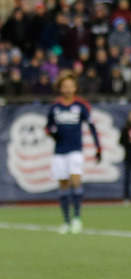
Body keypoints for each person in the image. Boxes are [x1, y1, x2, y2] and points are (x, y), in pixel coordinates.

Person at [45, 70, 102, 234]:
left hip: (75, 149)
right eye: (65, 86)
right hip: (59, 151)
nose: (68, 89)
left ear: (75, 87)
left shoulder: (80, 106)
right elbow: (48, 126)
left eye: (71, 86)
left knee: (76, 181)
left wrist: (98, 147)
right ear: (60, 88)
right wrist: (52, 132)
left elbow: (91, 126)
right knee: (63, 185)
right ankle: (66, 221)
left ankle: (77, 218)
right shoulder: (55, 107)